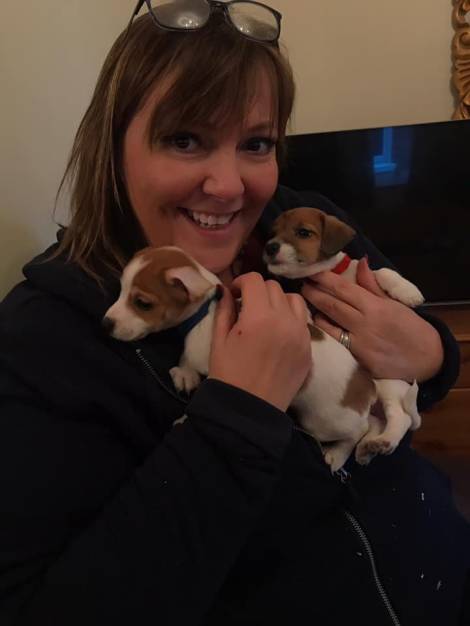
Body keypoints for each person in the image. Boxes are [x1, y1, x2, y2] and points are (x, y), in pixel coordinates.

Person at [0, 1, 468, 624]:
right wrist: (238, 415)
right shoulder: (43, 338)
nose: (228, 186)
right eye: (184, 139)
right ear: (113, 146)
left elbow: (424, 363)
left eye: (256, 143)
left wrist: (431, 353)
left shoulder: (300, 219)